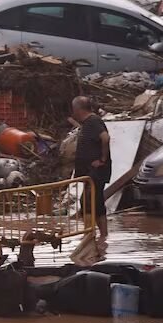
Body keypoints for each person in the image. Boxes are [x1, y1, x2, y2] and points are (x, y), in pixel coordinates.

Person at [71, 96, 111, 239]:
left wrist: (102, 159)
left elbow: (105, 138)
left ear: (78, 109)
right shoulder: (88, 123)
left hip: (96, 172)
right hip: (90, 172)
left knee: (88, 202)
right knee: (96, 202)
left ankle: (90, 234)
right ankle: (101, 236)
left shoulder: (93, 121)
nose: (73, 113)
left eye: (73, 109)